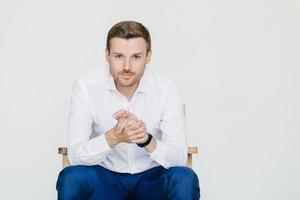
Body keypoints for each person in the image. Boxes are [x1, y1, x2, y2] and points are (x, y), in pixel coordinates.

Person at [56, 20, 200, 200]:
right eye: (118, 56)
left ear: (148, 56)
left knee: (184, 178)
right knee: (72, 177)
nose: (126, 66)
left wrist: (146, 139)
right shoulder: (86, 85)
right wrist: (113, 137)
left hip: (152, 180)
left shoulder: (167, 88)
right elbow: (75, 154)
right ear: (107, 55)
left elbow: (179, 157)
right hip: (105, 180)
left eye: (136, 57)